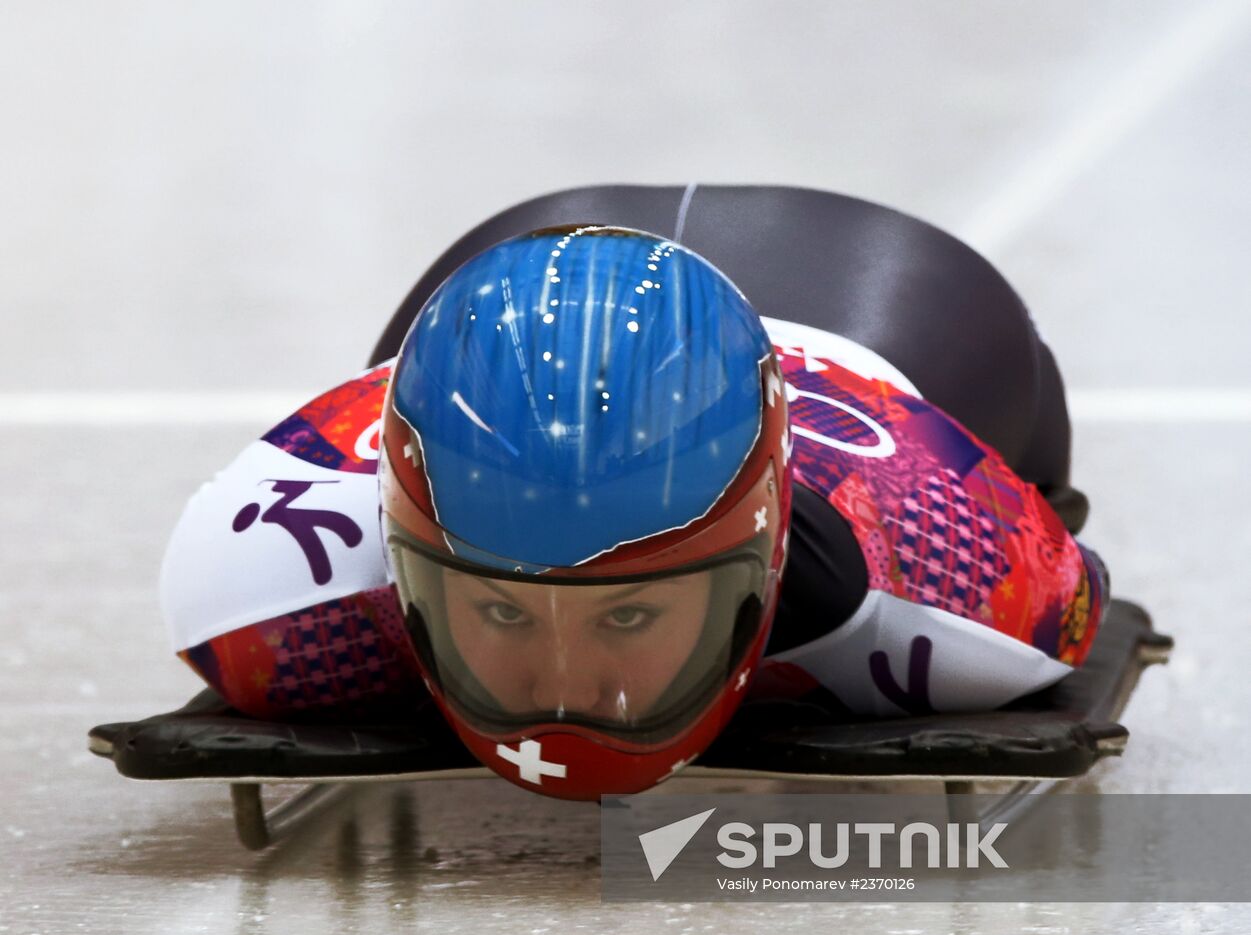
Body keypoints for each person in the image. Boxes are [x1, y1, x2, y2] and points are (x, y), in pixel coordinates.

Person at [159, 186, 1106, 801]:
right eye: (500, 607)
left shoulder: (968, 584)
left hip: (905, 293)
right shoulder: (259, 587)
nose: (564, 687)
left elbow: (1076, 577)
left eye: (627, 614)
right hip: (511, 267)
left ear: (767, 556)